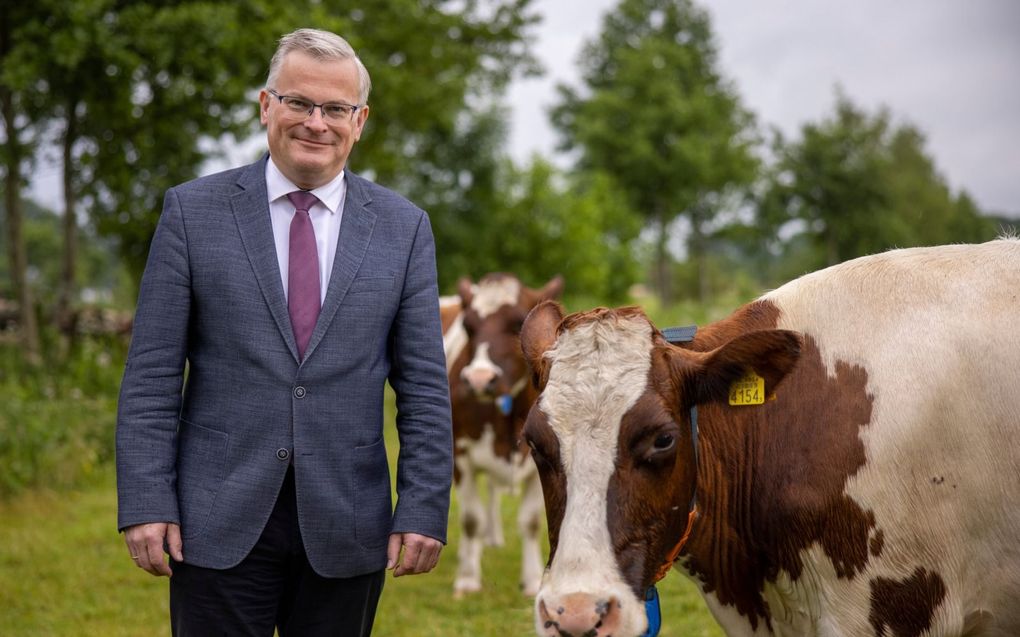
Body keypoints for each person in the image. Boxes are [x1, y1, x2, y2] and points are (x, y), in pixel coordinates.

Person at [116, 28, 453, 636]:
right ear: (267, 105)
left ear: (360, 119)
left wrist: (425, 507)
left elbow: (425, 390)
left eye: (335, 108)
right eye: (298, 102)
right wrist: (146, 501)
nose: (316, 123)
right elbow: (151, 377)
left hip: (348, 522)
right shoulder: (192, 213)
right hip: (214, 520)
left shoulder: (405, 229)